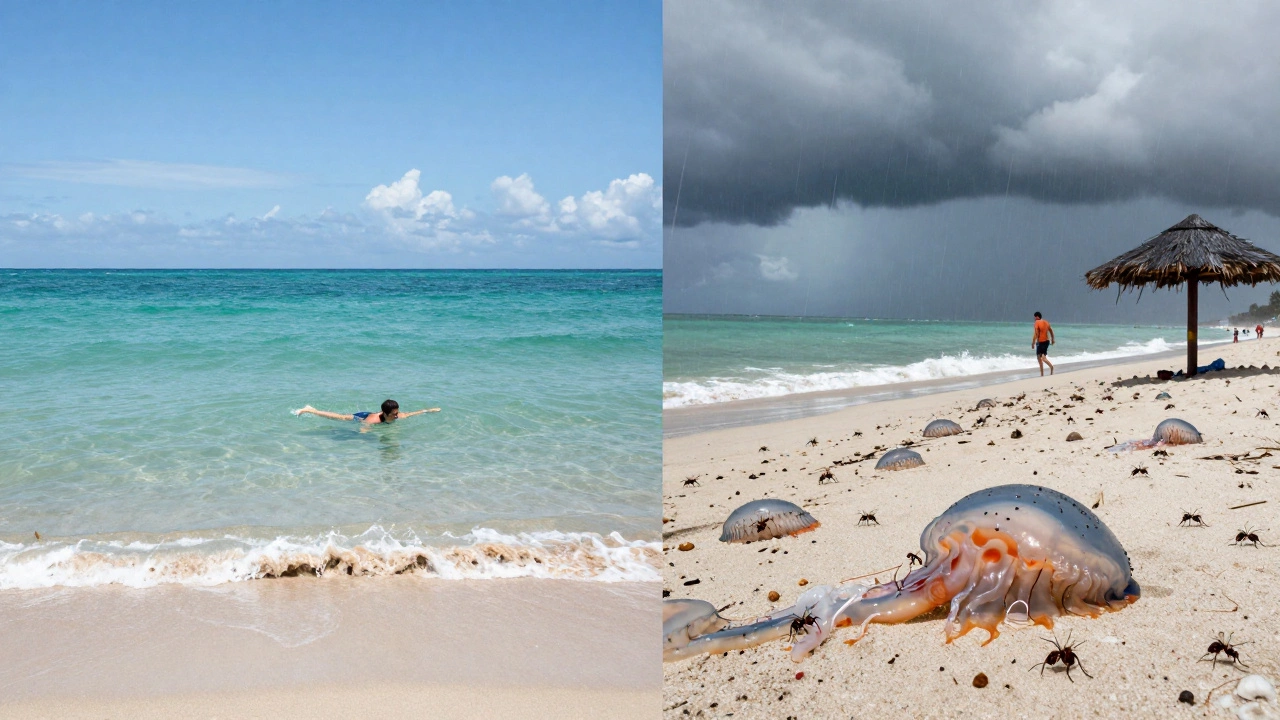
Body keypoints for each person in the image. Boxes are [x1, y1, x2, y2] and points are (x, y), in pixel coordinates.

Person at [294, 399, 439, 424]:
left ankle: (311, 410)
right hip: (362, 417)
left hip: (373, 416)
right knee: (340, 418)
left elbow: (412, 413)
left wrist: (428, 410)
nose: (397, 415)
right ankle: (310, 410)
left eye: (397, 412)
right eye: (394, 413)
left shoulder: (397, 415)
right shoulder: (373, 420)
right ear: (386, 413)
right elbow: (365, 427)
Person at [1032, 311, 1055, 376]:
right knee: (1040, 357)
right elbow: (1051, 331)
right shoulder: (1046, 322)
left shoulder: (1036, 322)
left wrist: (1033, 342)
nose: (1034, 319)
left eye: (1034, 317)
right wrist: (1053, 339)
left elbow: (1036, 333)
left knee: (1041, 358)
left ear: (1036, 317)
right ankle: (1042, 374)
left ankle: (1050, 367)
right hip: (1047, 341)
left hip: (1041, 342)